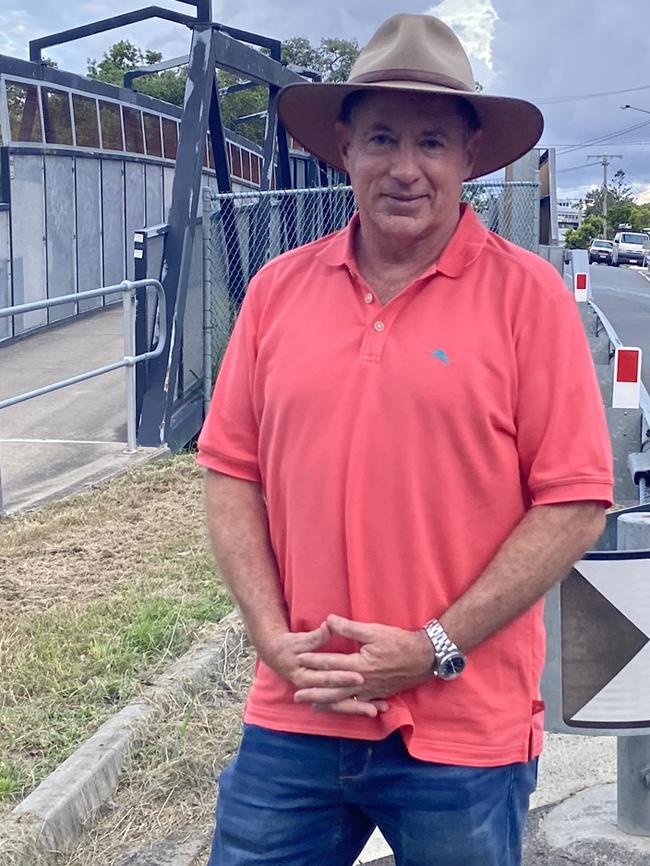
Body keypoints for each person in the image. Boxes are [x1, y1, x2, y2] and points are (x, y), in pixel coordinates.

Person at [197, 13, 613, 866]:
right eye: (381, 137)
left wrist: (433, 647)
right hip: (297, 710)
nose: (405, 167)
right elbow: (230, 472)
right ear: (343, 149)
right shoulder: (277, 292)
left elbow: (573, 502)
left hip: (464, 727)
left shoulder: (527, 298)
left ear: (469, 157)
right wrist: (271, 637)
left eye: (431, 141)